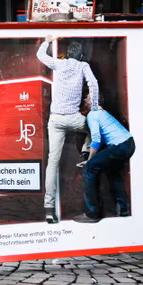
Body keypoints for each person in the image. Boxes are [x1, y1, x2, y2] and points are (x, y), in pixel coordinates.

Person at [37, 35, 98, 223]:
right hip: (74, 118)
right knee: (93, 127)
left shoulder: (59, 64)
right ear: (80, 56)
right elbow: (93, 85)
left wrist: (47, 41)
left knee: (52, 163)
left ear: (68, 54)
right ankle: (85, 152)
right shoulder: (83, 66)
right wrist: (94, 108)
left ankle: (48, 209)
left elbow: (40, 55)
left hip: (56, 119)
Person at [73, 96, 134, 223]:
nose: (85, 100)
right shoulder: (102, 112)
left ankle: (92, 213)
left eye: (87, 98)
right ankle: (123, 208)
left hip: (119, 146)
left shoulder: (93, 114)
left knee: (89, 169)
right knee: (113, 171)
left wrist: (89, 160)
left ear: (92, 102)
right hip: (129, 144)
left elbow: (96, 140)